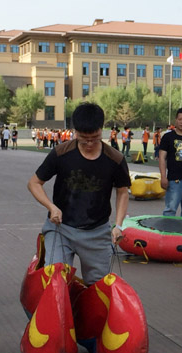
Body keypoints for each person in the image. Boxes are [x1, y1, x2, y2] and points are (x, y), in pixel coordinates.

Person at [27, 102, 130, 286]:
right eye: (83, 138)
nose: (89, 143)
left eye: (95, 138)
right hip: (61, 228)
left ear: (102, 130)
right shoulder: (61, 153)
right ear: (75, 132)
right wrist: (51, 207)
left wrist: (119, 225)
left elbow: (122, 191)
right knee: (56, 279)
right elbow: (34, 183)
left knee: (97, 286)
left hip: (97, 232)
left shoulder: (115, 159)